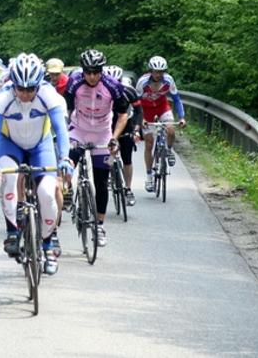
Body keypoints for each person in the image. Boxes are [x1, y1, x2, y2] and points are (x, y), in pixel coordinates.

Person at [0, 53, 71, 274]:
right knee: (8, 177)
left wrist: (64, 158)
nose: (24, 94)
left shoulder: (48, 95)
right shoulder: (3, 98)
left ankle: (48, 245)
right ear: (13, 84)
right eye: (20, 89)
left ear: (38, 85)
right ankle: (12, 231)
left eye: (30, 89)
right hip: (10, 144)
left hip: (40, 146)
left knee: (47, 193)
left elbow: (61, 130)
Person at [63, 49, 131, 247]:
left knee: (101, 183)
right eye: (88, 72)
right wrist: (64, 132)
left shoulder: (113, 85)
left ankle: (99, 225)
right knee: (65, 166)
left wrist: (114, 138)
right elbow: (65, 109)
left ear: (102, 70)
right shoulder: (74, 83)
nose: (92, 76)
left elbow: (123, 115)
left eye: (96, 72)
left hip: (103, 134)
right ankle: (68, 191)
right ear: (82, 70)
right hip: (78, 131)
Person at [136, 56, 186, 192]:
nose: (158, 74)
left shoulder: (168, 80)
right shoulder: (142, 82)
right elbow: (136, 103)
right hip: (146, 110)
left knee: (171, 130)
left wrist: (182, 117)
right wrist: (141, 119)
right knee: (149, 143)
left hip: (162, 107)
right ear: (151, 71)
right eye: (156, 71)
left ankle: (168, 150)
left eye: (161, 72)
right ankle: (149, 177)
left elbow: (177, 99)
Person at [103, 65, 142, 206]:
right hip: (107, 125)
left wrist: (136, 129)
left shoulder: (129, 91)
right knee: (109, 154)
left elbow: (138, 111)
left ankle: (128, 189)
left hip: (126, 124)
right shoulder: (100, 91)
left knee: (127, 159)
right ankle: (109, 170)